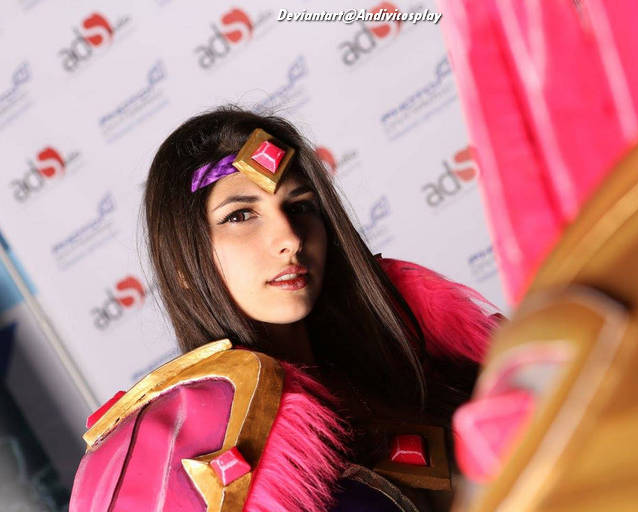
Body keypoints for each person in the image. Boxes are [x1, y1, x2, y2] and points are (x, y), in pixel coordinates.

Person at [70, 105, 502, 512]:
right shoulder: (175, 450)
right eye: (241, 215)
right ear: (184, 259)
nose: (290, 239)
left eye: (300, 208)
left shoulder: (425, 351)